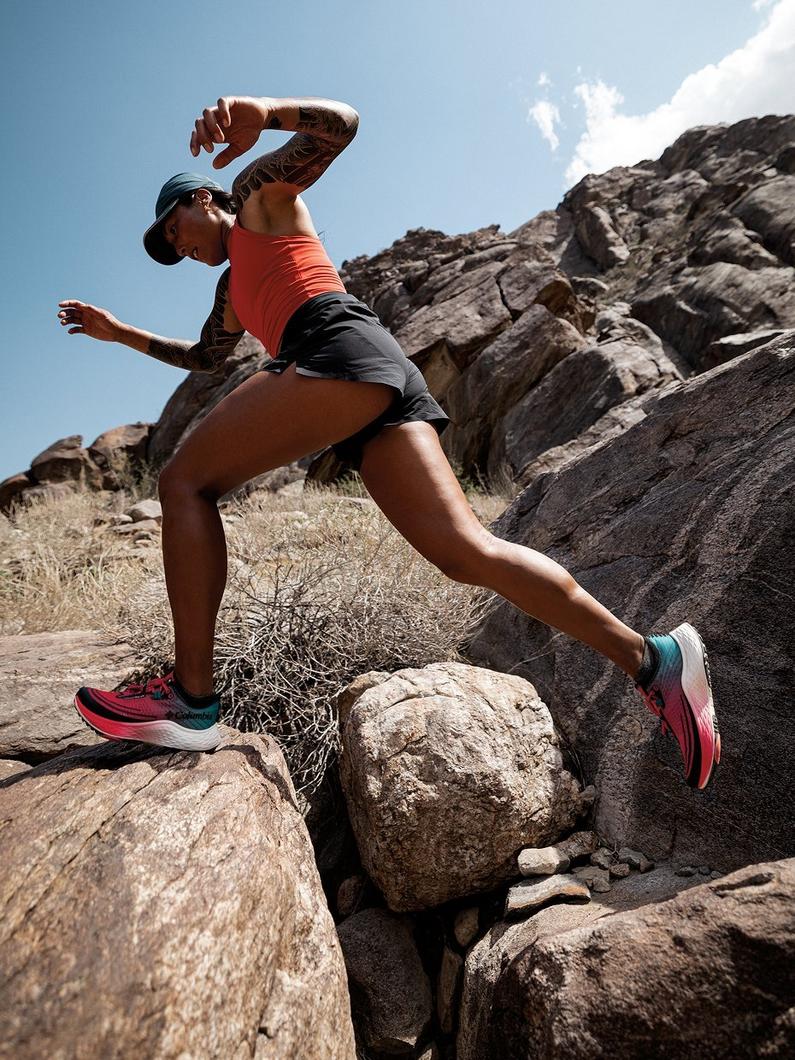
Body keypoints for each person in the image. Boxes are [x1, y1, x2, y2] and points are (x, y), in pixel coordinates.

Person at [58, 95, 720, 789]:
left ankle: (191, 701)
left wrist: (263, 111)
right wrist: (120, 333)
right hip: (368, 378)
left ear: (202, 198)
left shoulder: (260, 199)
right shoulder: (229, 293)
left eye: (175, 228)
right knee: (467, 553)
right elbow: (204, 357)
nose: (178, 247)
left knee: (185, 482)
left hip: (333, 348)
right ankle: (654, 661)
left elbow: (339, 125)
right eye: (169, 250)